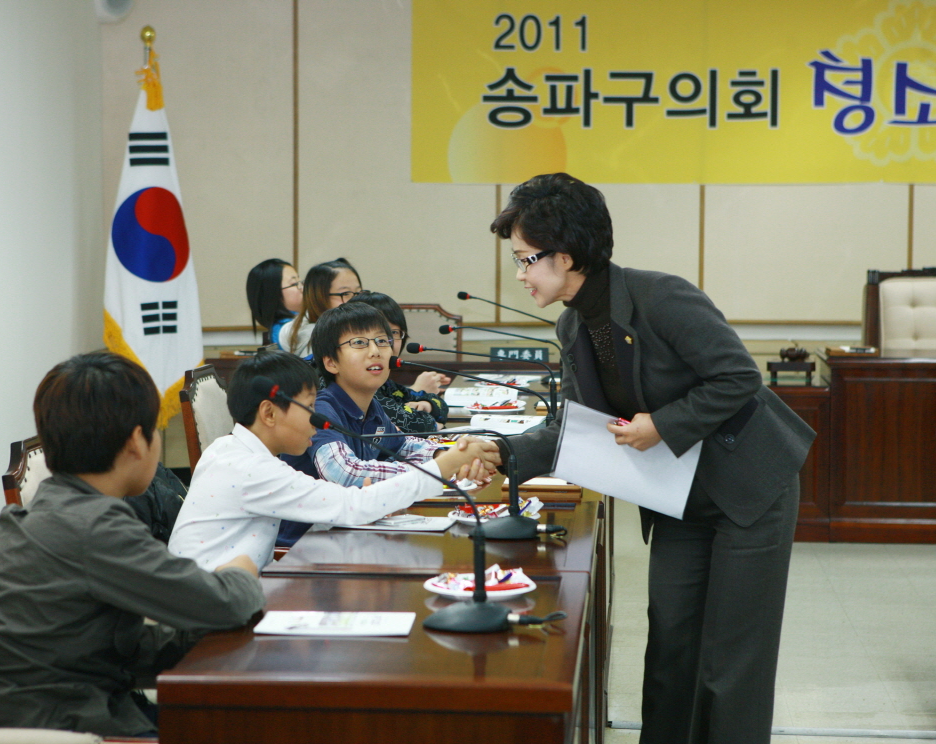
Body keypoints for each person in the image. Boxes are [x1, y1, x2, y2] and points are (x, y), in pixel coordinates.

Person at [490, 173, 815, 744]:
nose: (519, 275)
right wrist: (500, 452)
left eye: (525, 259)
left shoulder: (660, 295)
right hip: (679, 495)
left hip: (747, 488)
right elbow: (579, 426)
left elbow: (738, 376)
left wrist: (662, 425)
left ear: (564, 256)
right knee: (671, 644)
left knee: (731, 660)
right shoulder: (574, 325)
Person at [0, 353, 265, 738]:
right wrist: (241, 573)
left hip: (39, 707)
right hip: (50, 727)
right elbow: (227, 601)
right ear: (137, 441)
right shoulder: (94, 528)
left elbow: (115, 642)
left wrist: (202, 629)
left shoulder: (53, 509)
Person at [168, 350, 491, 570]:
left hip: (231, 591)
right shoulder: (250, 469)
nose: (317, 419)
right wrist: (447, 465)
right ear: (268, 413)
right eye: (309, 407)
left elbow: (344, 508)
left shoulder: (230, 450)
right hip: (210, 614)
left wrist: (368, 503)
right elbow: (352, 506)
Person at [278, 303, 500, 543]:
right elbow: (344, 472)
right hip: (303, 546)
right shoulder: (321, 408)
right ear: (331, 362)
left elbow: (406, 446)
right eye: (359, 343)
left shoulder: (372, 407)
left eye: (382, 341)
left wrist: (452, 454)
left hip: (348, 535)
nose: (376, 351)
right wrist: (441, 469)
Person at [348, 290, 450, 433]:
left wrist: (427, 404)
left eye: (394, 333)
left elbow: (441, 406)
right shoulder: (354, 382)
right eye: (377, 336)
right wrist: (433, 425)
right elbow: (411, 424)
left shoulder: (385, 383)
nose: (384, 343)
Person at [278, 257, 362, 356]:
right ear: (319, 297)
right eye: (345, 293)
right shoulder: (314, 337)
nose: (356, 300)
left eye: (358, 292)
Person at [246, 258, 304, 346]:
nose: (302, 288)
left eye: (300, 282)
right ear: (272, 294)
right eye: (294, 284)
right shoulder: (288, 330)